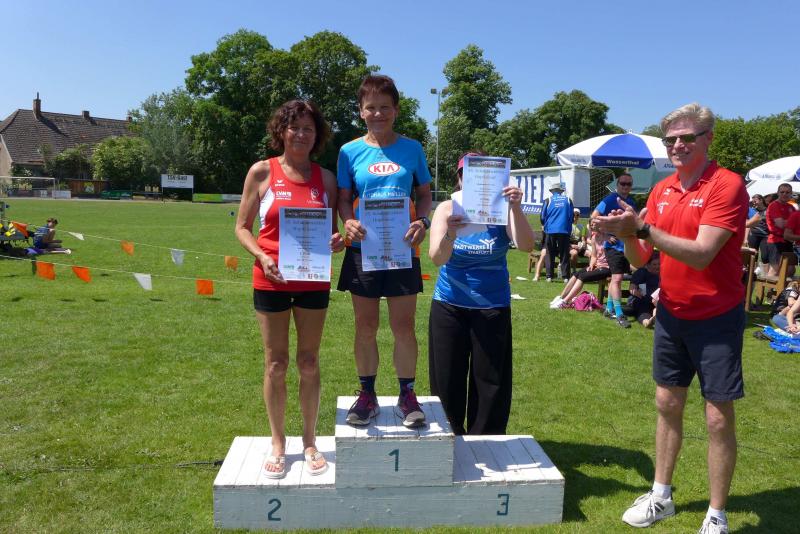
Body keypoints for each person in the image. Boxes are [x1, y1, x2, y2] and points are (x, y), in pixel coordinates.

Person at [597, 103, 749, 534]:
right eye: (671, 140)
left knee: (717, 416)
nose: (678, 145)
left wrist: (641, 229)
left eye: (687, 137)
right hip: (671, 314)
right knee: (667, 404)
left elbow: (702, 254)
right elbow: (640, 258)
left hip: (716, 316)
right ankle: (661, 495)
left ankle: (716, 514)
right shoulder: (662, 189)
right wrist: (626, 233)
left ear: (707, 138)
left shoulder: (726, 185)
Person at [235, 100, 344, 479]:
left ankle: (310, 441)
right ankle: (278, 442)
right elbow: (242, 227)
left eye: (308, 128)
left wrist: (337, 241)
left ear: (317, 135)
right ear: (281, 131)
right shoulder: (262, 171)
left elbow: (331, 231)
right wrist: (261, 256)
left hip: (313, 281)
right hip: (271, 279)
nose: (301, 134)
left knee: (309, 362)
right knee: (276, 364)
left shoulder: (326, 179)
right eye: (294, 127)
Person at [336, 75, 433, 428]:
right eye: (371, 107)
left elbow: (425, 194)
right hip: (363, 249)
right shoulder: (349, 151)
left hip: (403, 249)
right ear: (361, 111)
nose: (378, 113)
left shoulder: (413, 148)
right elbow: (343, 199)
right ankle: (367, 395)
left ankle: (407, 395)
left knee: (403, 326)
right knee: (365, 326)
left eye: (385, 107)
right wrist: (347, 221)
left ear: (396, 110)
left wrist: (423, 221)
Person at [427, 153, 534, 435]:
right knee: (446, 379)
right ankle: (448, 437)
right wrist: (451, 232)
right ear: (460, 179)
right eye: (467, 175)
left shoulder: (503, 210)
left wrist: (516, 207)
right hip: (450, 304)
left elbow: (526, 245)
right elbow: (436, 258)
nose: (473, 181)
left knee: (490, 382)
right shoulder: (447, 208)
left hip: (492, 305)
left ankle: (485, 441)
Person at [590, 173, 637, 328]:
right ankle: (619, 313)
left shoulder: (631, 202)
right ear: (617, 185)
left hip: (626, 246)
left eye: (628, 184)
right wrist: (604, 235)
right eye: (623, 183)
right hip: (613, 247)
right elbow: (593, 218)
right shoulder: (609, 200)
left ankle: (609, 308)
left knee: (616, 278)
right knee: (617, 278)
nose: (625, 186)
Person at [549, 230, 610, 308]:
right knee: (576, 274)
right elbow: (594, 256)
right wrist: (591, 265)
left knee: (582, 277)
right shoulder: (594, 238)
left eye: (595, 225)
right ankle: (561, 298)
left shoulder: (609, 237)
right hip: (597, 266)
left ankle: (565, 302)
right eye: (592, 225)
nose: (593, 228)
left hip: (606, 268)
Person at [540, 182, 574, 281]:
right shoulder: (568, 200)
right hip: (564, 230)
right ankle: (565, 277)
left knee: (550, 252)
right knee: (564, 253)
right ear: (561, 191)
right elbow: (571, 216)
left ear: (552, 191)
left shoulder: (548, 200)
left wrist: (545, 224)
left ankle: (549, 276)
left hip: (550, 230)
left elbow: (542, 217)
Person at [764, 183, 795, 278]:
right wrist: (794, 222)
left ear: (791, 194)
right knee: (775, 270)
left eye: (787, 192)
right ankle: (768, 288)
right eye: (782, 192)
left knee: (790, 269)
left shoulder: (791, 207)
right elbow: (780, 224)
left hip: (788, 241)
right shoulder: (774, 205)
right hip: (775, 241)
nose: (785, 194)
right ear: (778, 193)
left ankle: (782, 287)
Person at [622, 252, 660, 327]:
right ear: (648, 265)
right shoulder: (642, 272)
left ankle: (654, 318)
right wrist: (640, 294)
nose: (657, 266)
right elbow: (632, 289)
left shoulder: (662, 274)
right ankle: (646, 322)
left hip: (654, 302)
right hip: (639, 300)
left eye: (659, 264)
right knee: (643, 306)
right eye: (654, 264)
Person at [745, 194, 768, 274]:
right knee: (752, 254)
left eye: (755, 201)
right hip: (753, 234)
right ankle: (751, 273)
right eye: (753, 201)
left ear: (761, 200)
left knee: (765, 256)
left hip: (765, 235)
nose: (754, 203)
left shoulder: (768, 210)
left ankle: (765, 274)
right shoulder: (752, 211)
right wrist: (745, 238)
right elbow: (748, 225)